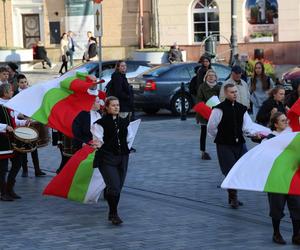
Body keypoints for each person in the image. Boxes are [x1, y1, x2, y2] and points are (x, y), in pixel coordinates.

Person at [207, 84, 259, 209]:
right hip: (224, 144)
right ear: (226, 93)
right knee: (229, 170)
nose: (234, 94)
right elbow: (211, 127)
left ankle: (233, 194)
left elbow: (247, 126)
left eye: (236, 92)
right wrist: (219, 138)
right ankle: (233, 197)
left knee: (241, 169)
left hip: (239, 143)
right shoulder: (218, 109)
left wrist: (253, 134)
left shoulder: (242, 108)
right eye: (231, 92)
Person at [92, 96, 131, 225]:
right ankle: (113, 213)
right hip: (107, 158)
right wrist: (98, 145)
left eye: (118, 105)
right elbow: (98, 141)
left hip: (123, 157)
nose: (116, 107)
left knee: (117, 187)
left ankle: (112, 211)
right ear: (107, 107)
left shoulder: (124, 122)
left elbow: (129, 138)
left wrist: (126, 148)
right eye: (113, 105)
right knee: (114, 186)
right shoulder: (99, 124)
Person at [264, 112, 300, 245]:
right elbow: (266, 158)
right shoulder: (269, 139)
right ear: (275, 124)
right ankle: (276, 233)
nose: (287, 122)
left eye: (286, 120)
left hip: (292, 177)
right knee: (277, 208)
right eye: (283, 121)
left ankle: (296, 235)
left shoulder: (293, 136)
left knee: (297, 207)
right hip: (277, 178)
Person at [0, 83, 29, 201]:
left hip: (12, 140)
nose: (13, 92)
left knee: (18, 163)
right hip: (1, 142)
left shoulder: (10, 104)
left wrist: (24, 122)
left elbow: (14, 120)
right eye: (11, 91)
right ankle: (3, 193)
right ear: (5, 93)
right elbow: (7, 124)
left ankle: (9, 188)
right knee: (2, 168)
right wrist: (4, 126)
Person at [15, 74, 46, 177]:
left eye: (25, 82)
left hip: (32, 121)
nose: (24, 84)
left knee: (34, 146)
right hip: (21, 122)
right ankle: (25, 170)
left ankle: (37, 170)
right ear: (18, 83)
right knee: (23, 146)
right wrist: (23, 117)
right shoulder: (15, 94)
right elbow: (15, 109)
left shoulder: (31, 92)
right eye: (21, 82)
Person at [196, 69, 220, 160]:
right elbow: (199, 99)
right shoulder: (202, 87)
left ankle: (221, 150)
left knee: (219, 132)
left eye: (213, 75)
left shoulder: (218, 87)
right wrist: (207, 105)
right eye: (209, 75)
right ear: (206, 77)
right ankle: (203, 151)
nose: (211, 77)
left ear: (215, 77)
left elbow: (221, 99)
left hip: (216, 112)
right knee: (203, 132)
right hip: (204, 112)